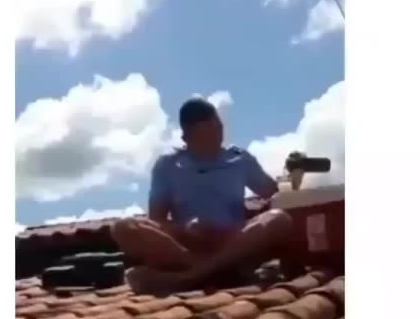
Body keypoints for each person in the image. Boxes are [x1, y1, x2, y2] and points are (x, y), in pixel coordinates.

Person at [111, 97, 293, 292]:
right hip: (187, 246)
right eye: (205, 135)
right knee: (123, 227)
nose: (215, 138)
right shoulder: (168, 165)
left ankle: (193, 276)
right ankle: (211, 270)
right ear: (186, 138)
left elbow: (276, 197)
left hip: (234, 239)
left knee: (279, 219)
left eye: (218, 129)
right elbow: (156, 219)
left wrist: (294, 177)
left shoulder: (240, 159)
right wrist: (186, 229)